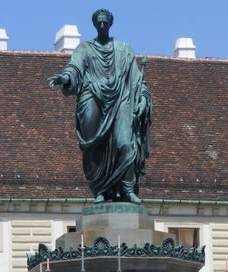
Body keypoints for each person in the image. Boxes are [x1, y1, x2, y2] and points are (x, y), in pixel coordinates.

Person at [48, 8, 152, 204]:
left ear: (110, 23)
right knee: (93, 146)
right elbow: (74, 68)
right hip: (92, 96)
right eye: (99, 22)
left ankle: (128, 189)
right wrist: (65, 78)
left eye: (105, 22)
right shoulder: (84, 49)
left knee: (124, 142)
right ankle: (100, 190)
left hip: (121, 98)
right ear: (95, 24)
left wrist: (143, 98)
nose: (102, 25)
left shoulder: (124, 49)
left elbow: (137, 80)